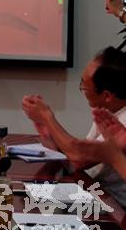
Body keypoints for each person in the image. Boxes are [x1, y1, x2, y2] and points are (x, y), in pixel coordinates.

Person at [22, 46, 126, 206]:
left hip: (114, 205)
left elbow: (79, 158)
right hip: (94, 192)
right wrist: (51, 137)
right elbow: (78, 155)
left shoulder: (122, 120)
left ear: (107, 95)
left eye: (84, 86)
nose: (82, 89)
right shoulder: (108, 112)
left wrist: (48, 118)